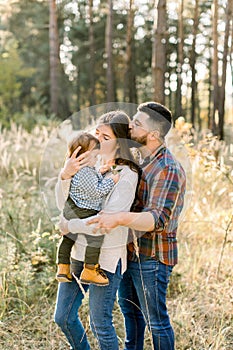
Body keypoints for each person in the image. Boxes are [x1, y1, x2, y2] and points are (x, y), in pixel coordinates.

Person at [86, 102, 187, 350]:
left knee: (157, 322)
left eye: (137, 123)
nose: (130, 125)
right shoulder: (140, 160)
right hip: (130, 253)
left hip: (152, 257)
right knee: (131, 315)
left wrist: (119, 217)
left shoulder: (167, 168)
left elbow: (156, 219)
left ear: (153, 134)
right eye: (132, 120)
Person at [54, 110, 139, 350]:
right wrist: (65, 175)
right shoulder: (88, 163)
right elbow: (65, 204)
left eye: (106, 137)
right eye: (96, 133)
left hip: (106, 258)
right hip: (77, 253)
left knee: (100, 323)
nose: (98, 140)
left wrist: (69, 226)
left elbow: (104, 222)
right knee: (63, 317)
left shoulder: (127, 174)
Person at [56, 131, 120, 286]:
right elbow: (96, 191)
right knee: (95, 237)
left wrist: (99, 172)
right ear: (81, 155)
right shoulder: (85, 171)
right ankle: (90, 269)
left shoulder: (83, 170)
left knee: (68, 238)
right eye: (94, 155)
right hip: (84, 210)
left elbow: (87, 183)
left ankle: (63, 267)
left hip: (72, 209)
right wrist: (112, 180)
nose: (97, 157)